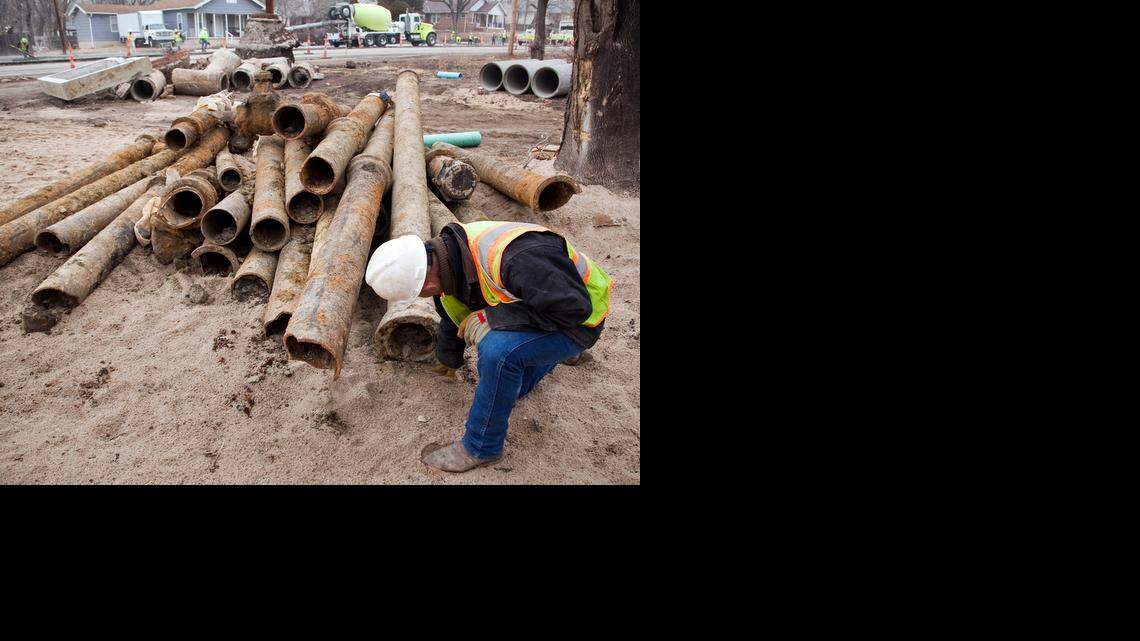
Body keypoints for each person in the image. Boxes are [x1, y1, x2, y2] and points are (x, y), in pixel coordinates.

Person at [365, 221, 613, 473]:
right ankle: (553, 353)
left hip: (580, 318)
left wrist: (494, 318)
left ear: (425, 284)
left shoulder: (518, 258)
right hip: (550, 305)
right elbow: (453, 312)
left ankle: (481, 446)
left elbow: (573, 309)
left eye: (420, 293)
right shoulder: (449, 258)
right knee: (513, 387)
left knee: (499, 353)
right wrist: (448, 358)